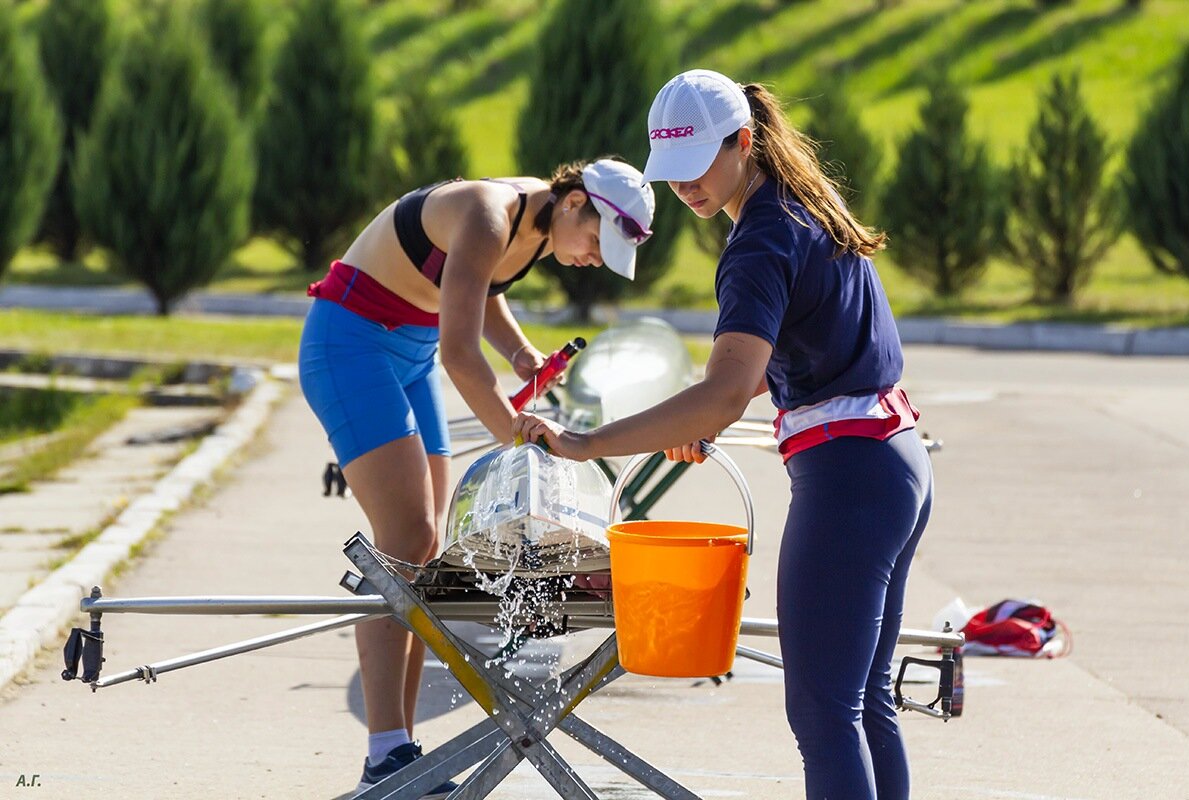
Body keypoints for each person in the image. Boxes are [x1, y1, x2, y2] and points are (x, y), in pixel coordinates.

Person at [513, 69, 932, 800]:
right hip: (894, 465)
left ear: (744, 142)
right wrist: (706, 415)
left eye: (696, 166)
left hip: (852, 483)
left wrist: (584, 444)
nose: (684, 189)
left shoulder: (757, 241)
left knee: (823, 711)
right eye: (669, 173)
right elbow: (797, 353)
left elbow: (723, 393)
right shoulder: (801, 198)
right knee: (862, 703)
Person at [298, 158, 655, 796]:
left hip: (408, 351)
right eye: (598, 242)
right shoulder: (490, 214)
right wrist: (516, 438)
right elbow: (462, 353)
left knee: (421, 551)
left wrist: (519, 354)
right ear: (573, 201)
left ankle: (396, 751)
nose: (595, 260)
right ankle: (386, 756)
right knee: (402, 540)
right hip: (350, 344)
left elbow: (478, 294)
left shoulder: (535, 229)